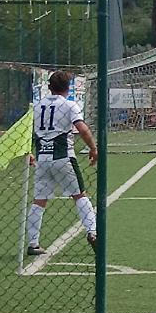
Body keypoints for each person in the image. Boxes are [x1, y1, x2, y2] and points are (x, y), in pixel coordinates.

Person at [25, 71, 99, 256]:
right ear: (68, 87)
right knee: (80, 195)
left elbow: (27, 131)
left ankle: (33, 243)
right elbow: (82, 128)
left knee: (39, 201)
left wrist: (28, 151)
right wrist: (93, 148)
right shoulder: (69, 105)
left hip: (42, 158)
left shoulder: (37, 106)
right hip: (63, 157)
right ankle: (93, 232)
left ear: (49, 87)